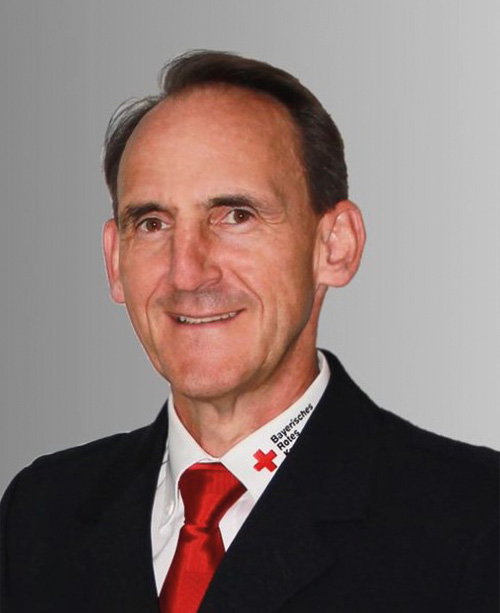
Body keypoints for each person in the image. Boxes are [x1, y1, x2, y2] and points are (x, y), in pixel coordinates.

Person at [1, 51, 498, 613]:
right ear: (115, 261)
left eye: (236, 215)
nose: (187, 272)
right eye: (153, 223)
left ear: (335, 246)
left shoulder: (476, 522)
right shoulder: (40, 515)